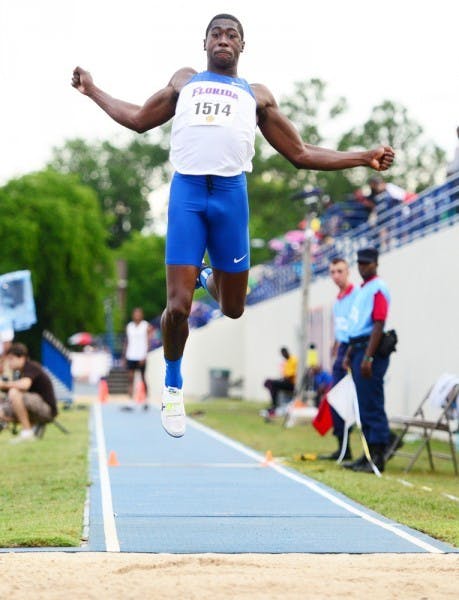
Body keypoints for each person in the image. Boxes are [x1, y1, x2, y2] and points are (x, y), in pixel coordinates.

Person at [71, 13, 395, 438]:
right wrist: (93, 89)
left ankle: (209, 274)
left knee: (233, 308)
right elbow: (137, 118)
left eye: (233, 36)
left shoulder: (256, 96)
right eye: (217, 34)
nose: (224, 40)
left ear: (243, 47)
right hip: (187, 194)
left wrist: (363, 156)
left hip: (230, 198)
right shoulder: (184, 82)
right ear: (204, 42)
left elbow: (300, 153)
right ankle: (172, 382)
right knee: (179, 306)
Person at [343, 248, 391, 473]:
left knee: (372, 404)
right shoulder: (363, 290)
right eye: (360, 263)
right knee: (363, 405)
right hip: (359, 349)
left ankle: (378, 456)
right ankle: (368, 454)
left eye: (367, 263)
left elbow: (378, 324)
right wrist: (349, 353)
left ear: (376, 264)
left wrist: (368, 358)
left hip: (369, 351)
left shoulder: (378, 288)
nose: (363, 267)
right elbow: (356, 326)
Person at [319, 258, 358, 461]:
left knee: (351, 400)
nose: (336, 276)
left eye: (339, 271)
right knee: (335, 399)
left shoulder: (356, 295)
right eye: (332, 272)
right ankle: (342, 446)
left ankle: (384, 441)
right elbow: (340, 327)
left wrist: (349, 352)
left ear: (348, 272)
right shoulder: (338, 300)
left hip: (354, 349)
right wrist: (335, 345)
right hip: (342, 348)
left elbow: (356, 325)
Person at [0, 343, 58, 442]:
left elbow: (24, 385)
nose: (9, 363)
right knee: (2, 408)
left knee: (15, 392)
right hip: (34, 406)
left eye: (11, 359)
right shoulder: (19, 373)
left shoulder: (31, 367)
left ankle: (27, 432)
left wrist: (4, 384)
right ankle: (33, 427)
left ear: (21, 358)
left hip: (47, 410)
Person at [122, 307, 152, 410]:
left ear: (142, 315)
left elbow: (148, 342)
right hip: (131, 355)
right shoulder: (129, 326)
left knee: (143, 378)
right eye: (135, 313)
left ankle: (146, 401)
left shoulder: (146, 326)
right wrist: (124, 356)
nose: (137, 315)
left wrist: (145, 355)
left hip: (141, 356)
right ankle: (131, 401)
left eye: (139, 313)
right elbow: (127, 342)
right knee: (131, 379)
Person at [263, 347, 298, 417]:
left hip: (291, 383)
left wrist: (284, 378)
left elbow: (291, 375)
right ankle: (274, 404)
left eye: (284, 353)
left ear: (286, 352)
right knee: (269, 382)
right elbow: (284, 375)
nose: (283, 355)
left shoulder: (293, 360)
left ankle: (274, 405)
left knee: (274, 384)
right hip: (285, 381)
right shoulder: (286, 362)